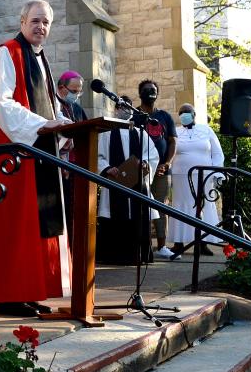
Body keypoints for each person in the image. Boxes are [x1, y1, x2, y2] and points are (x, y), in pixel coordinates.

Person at [0, 0, 72, 317]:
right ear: (22, 21)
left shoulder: (41, 60)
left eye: (46, 22)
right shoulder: (8, 52)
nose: (41, 27)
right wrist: (43, 125)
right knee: (17, 227)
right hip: (13, 157)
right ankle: (9, 296)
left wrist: (62, 127)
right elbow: (1, 103)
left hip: (39, 153)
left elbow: (49, 105)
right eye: (35, 21)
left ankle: (32, 291)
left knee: (37, 227)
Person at [96, 97, 161, 265]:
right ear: (115, 109)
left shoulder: (140, 132)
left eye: (127, 108)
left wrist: (145, 163)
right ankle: (114, 257)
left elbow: (152, 154)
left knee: (138, 216)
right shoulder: (106, 132)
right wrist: (107, 167)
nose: (124, 111)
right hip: (114, 182)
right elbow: (97, 155)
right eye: (121, 107)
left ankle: (139, 256)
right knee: (115, 217)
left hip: (138, 183)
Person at [168, 104, 225, 254]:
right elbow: (169, 151)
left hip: (204, 176)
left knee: (203, 206)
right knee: (181, 206)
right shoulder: (175, 131)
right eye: (181, 112)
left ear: (194, 114)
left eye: (187, 112)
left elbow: (217, 153)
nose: (184, 114)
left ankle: (203, 243)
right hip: (180, 176)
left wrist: (218, 173)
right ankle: (178, 243)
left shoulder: (206, 130)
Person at [134, 79, 177, 259]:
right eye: (146, 90)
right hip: (140, 170)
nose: (150, 92)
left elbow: (172, 141)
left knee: (160, 207)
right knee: (140, 208)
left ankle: (161, 247)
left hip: (161, 171)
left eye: (153, 90)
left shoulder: (165, 117)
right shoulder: (134, 116)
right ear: (140, 93)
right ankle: (142, 246)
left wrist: (166, 163)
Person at [55, 70, 88, 248]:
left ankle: (75, 246)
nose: (77, 95)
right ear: (62, 88)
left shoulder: (76, 108)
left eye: (79, 91)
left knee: (75, 210)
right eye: (74, 91)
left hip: (77, 166)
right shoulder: (52, 105)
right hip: (58, 165)